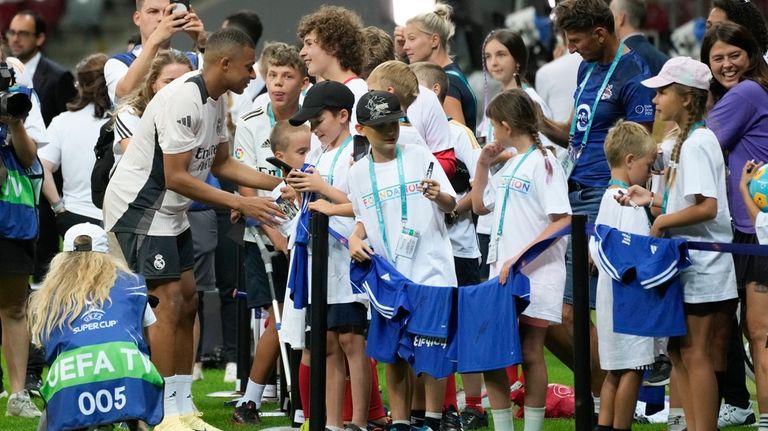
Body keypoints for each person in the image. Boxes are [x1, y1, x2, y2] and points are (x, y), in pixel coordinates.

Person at [102, 28, 285, 431]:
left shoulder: (217, 99)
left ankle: (184, 408)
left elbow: (221, 164)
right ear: (224, 64)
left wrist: (279, 184)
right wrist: (242, 201)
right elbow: (176, 177)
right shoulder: (184, 98)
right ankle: (164, 413)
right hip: (141, 211)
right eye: (247, 65)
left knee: (188, 302)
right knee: (168, 304)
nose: (253, 74)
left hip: (172, 213)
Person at [543, 0, 657, 408]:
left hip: (604, 200)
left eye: (576, 41)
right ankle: (606, 396)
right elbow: (576, 137)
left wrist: (616, 201)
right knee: (555, 312)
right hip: (572, 193)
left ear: (601, 33)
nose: (572, 49)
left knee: (574, 312)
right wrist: (536, 121)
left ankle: (619, 397)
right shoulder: (585, 67)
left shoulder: (634, 74)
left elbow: (640, 150)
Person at [619, 56, 738, 431]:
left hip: (702, 268)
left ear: (687, 99)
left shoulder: (698, 143)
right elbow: (684, 202)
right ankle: (689, 424)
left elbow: (708, 207)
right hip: (685, 264)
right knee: (678, 352)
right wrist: (650, 201)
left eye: (663, 92)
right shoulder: (681, 143)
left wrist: (663, 221)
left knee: (695, 353)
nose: (654, 99)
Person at [348, 91, 457, 431]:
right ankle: (400, 422)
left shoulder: (418, 154)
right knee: (393, 355)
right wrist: (355, 237)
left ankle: (435, 418)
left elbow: (452, 203)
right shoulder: (357, 174)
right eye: (381, 126)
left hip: (431, 268)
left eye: (394, 122)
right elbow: (363, 215)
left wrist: (438, 195)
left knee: (430, 349)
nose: (391, 131)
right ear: (362, 129)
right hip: (390, 276)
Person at [471, 89, 571, 431]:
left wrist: (520, 256)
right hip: (502, 270)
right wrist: (483, 164)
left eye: (493, 125)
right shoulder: (512, 162)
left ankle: (531, 427)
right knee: (492, 351)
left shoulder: (545, 163)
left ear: (506, 124)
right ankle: (502, 427)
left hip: (535, 272)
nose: (491, 133)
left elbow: (562, 219)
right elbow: (480, 204)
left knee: (531, 351)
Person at [230, 42, 308, 425]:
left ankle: (302, 398)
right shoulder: (249, 121)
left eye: (287, 76)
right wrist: (273, 233)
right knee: (276, 319)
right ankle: (251, 399)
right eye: (272, 75)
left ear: (301, 81)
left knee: (303, 318)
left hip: (307, 231)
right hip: (264, 235)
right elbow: (245, 186)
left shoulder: (311, 119)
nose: (278, 83)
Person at [287, 80, 371, 431]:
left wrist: (322, 190)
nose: (314, 129)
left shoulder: (359, 150)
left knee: (353, 340)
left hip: (349, 259)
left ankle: (360, 421)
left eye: (318, 120)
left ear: (342, 115)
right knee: (328, 343)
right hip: (322, 263)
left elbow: (366, 203)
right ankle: (332, 423)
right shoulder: (320, 154)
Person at [27, 223, 163, 430]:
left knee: (52, 417)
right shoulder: (132, 285)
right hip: (128, 373)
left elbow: (46, 348)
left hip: (72, 377)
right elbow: (147, 343)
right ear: (107, 255)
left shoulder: (48, 299)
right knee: (133, 366)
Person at [410, 60, 485, 429]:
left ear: (432, 92)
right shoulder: (405, 136)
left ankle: (474, 405)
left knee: (464, 327)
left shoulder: (458, 134)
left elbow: (481, 187)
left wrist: (453, 210)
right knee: (430, 331)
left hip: (459, 246)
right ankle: (439, 407)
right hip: (423, 249)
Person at [703, 21, 768, 429]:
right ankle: (746, 407)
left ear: (751, 55)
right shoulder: (748, 89)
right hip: (745, 227)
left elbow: (701, 142)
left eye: (734, 55)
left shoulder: (745, 91)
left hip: (754, 229)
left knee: (759, 335)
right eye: (717, 58)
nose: (727, 65)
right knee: (745, 332)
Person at [588, 120, 657, 431]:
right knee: (633, 368)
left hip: (609, 298)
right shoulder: (625, 202)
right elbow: (636, 252)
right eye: (648, 165)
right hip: (629, 299)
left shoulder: (606, 197)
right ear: (630, 160)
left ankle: (605, 425)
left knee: (615, 369)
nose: (650, 173)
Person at [0, 54, 44, 418]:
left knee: (15, 306)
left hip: (11, 216)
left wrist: (15, 123)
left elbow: (29, 159)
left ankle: (18, 396)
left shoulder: (17, 93)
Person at [39, 53, 111, 234]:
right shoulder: (125, 118)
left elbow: (42, 167)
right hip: (117, 216)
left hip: (74, 216)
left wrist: (58, 207)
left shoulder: (62, 121)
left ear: (80, 85)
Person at [396, 3, 477, 131]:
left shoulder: (448, 82)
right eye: (405, 40)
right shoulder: (449, 74)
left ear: (434, 40)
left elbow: (457, 138)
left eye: (411, 39)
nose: (405, 46)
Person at [104, 0, 204, 104]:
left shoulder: (193, 60)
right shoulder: (119, 62)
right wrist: (155, 40)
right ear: (137, 18)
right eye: (153, 11)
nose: (161, 18)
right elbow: (125, 93)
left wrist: (203, 41)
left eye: (168, 11)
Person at [297, 5, 367, 128]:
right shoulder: (324, 94)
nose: (301, 53)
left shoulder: (358, 94)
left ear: (333, 46)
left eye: (309, 44)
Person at [7, 10, 76, 127]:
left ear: (40, 38)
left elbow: (69, 126)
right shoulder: (3, 72)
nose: (15, 39)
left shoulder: (60, 77)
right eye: (12, 32)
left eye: (22, 33)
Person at [609, 0, 669, 75]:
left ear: (621, 18)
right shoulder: (664, 61)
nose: (607, 21)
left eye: (610, 15)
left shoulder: (617, 59)